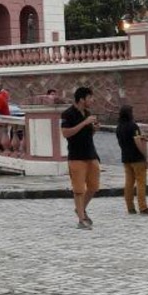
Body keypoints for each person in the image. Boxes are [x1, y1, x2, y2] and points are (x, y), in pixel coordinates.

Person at [60, 86, 100, 229]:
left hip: (91, 154)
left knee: (94, 186)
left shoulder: (87, 113)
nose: (92, 100)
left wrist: (93, 129)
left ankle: (80, 209)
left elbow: (86, 135)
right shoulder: (68, 114)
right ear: (82, 99)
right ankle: (81, 219)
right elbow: (65, 133)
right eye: (90, 98)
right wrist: (84, 123)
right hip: (76, 156)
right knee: (79, 189)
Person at [114, 106, 148, 215]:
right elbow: (137, 142)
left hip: (126, 158)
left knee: (129, 183)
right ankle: (143, 207)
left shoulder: (119, 127)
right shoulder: (133, 126)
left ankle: (130, 207)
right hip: (137, 158)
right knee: (141, 182)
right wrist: (145, 156)